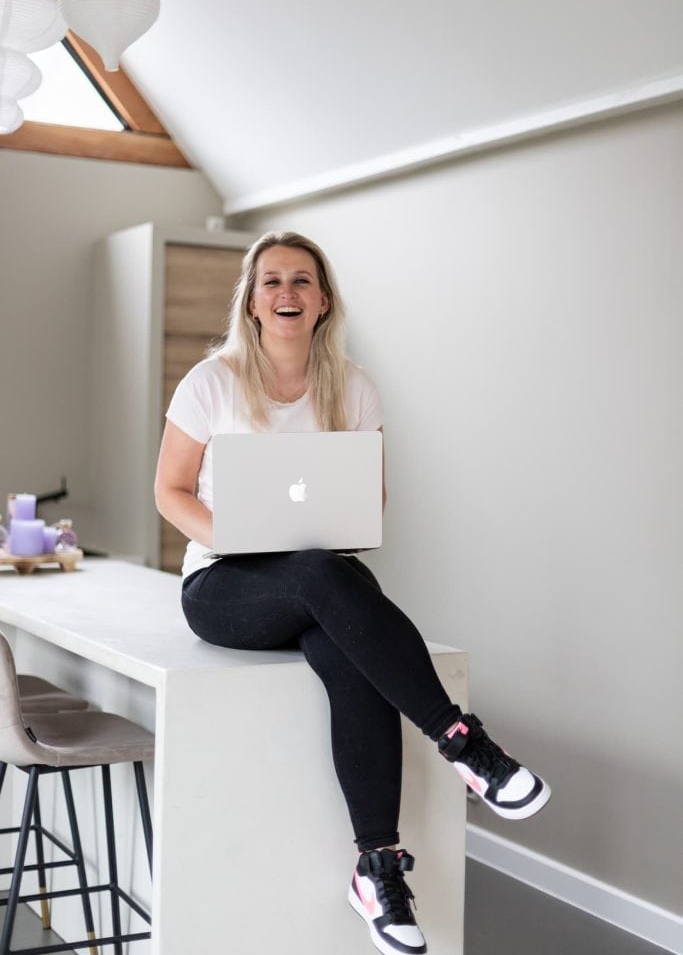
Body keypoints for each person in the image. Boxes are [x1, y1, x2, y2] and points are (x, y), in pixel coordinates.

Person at [155, 230, 551, 955]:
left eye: (301, 281)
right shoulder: (209, 382)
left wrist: (317, 534)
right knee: (318, 573)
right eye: (270, 281)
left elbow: (370, 500)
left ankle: (376, 868)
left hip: (318, 582)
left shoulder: (355, 384)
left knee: (348, 647)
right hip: (222, 584)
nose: (286, 293)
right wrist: (245, 537)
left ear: (323, 300)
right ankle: (461, 741)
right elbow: (170, 491)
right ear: (250, 300)